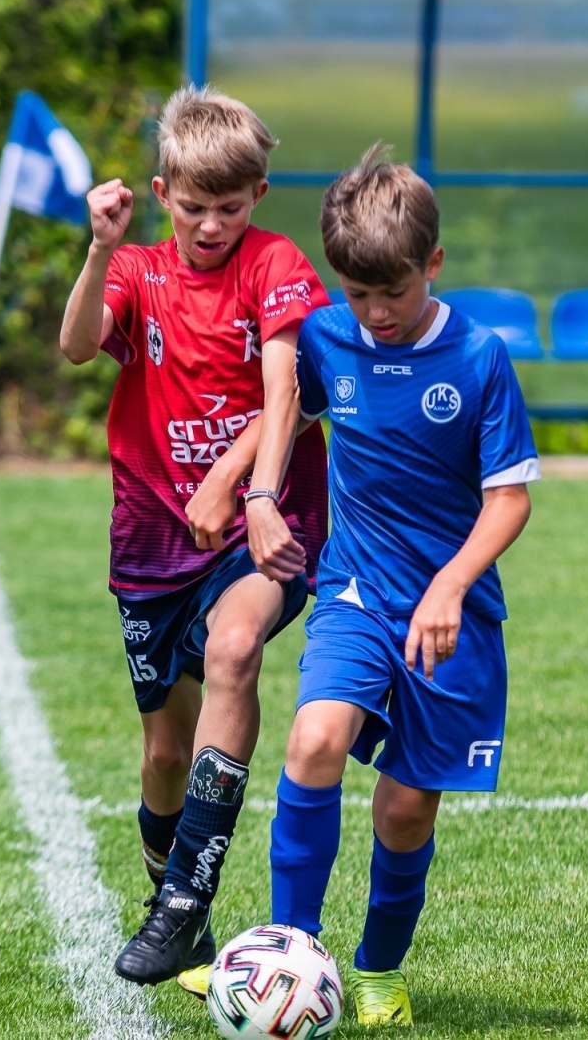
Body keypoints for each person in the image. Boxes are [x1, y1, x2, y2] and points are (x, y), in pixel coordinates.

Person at [57, 85, 329, 991]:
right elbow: (76, 343)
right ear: (162, 190)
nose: (212, 224)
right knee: (164, 756)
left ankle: (180, 906)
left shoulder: (276, 265)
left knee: (236, 646)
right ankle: (175, 907)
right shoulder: (136, 269)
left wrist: (246, 489)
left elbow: (286, 386)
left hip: (264, 524)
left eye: (231, 205)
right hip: (148, 540)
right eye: (194, 205)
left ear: (257, 195)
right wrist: (98, 248)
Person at [265, 146, 538, 1025]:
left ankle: (378, 966)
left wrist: (452, 584)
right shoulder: (325, 335)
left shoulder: (479, 357)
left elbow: (510, 500)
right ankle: (290, 952)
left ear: (434, 265)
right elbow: (284, 412)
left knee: (406, 806)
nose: (376, 314)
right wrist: (252, 492)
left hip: (449, 611)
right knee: (313, 742)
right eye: (358, 295)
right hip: (355, 588)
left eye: (394, 293)